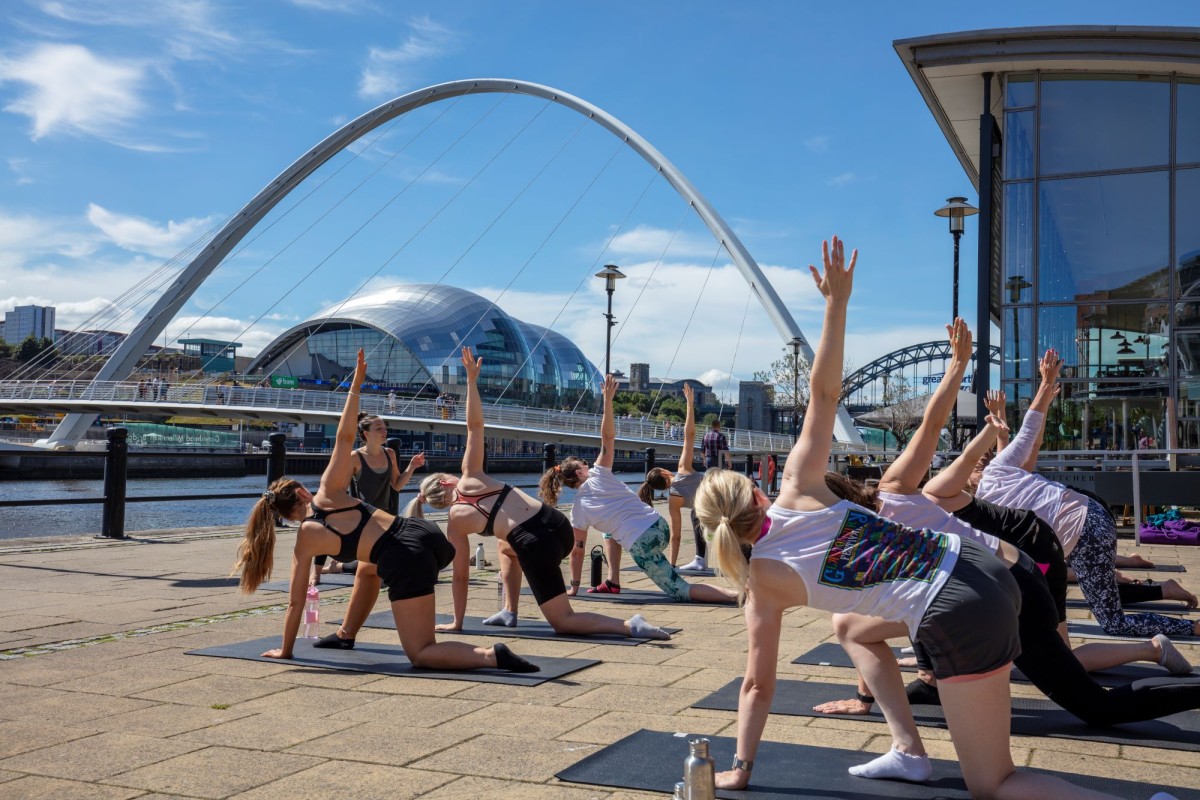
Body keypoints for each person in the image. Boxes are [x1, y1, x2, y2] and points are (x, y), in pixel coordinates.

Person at [694, 237, 1141, 799]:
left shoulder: (762, 587)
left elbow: (758, 686)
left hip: (961, 608)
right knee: (850, 627)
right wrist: (836, 305)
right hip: (985, 569)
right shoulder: (797, 485)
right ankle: (907, 749)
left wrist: (740, 768)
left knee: (994, 782)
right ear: (754, 496)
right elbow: (825, 393)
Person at [231, 348, 538, 674]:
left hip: (407, 556)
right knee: (367, 568)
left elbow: (296, 602)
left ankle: (491, 656)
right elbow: (345, 436)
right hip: (422, 533)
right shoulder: (328, 491)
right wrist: (355, 386)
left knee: (421, 653)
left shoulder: (306, 539)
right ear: (302, 493)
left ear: (281, 514)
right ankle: (345, 634)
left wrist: (286, 650)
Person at [380, 347, 668, 641]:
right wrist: (471, 381)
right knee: (506, 548)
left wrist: (457, 621)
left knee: (564, 622)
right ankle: (509, 610)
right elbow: (475, 427)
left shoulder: (456, 521)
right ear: (444, 484)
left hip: (537, 543)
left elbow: (461, 576)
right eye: (445, 475)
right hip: (556, 525)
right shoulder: (471, 475)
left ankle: (630, 625)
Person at [977, 350, 1199, 638]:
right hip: (1087, 522)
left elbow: (1023, 437)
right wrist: (1043, 389)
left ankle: (1190, 626)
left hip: (1083, 529)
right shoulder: (991, 484)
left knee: (1112, 620)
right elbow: (1022, 439)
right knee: (1094, 590)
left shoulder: (995, 476)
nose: (979, 464)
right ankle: (1162, 590)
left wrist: (1044, 388)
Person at [541, 374, 737, 604]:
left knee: (681, 590)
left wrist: (574, 587)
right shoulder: (600, 473)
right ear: (579, 473)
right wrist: (608, 401)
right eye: (583, 464)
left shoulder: (578, 510)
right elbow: (607, 437)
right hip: (657, 526)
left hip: (641, 542)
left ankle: (739, 595)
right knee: (609, 530)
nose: (587, 464)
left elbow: (577, 551)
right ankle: (613, 581)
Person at [311, 413, 426, 583]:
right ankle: (317, 573)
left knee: (390, 561)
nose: (384, 432)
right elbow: (340, 488)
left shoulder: (390, 453)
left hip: (383, 516)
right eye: (379, 429)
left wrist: (411, 467)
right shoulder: (355, 457)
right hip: (360, 515)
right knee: (327, 531)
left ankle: (337, 567)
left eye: (385, 428)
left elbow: (396, 485)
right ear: (366, 433)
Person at [637, 383, 708, 569]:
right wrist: (690, 405)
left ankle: (700, 559)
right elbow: (689, 435)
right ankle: (702, 558)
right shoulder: (683, 468)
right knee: (698, 515)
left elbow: (675, 536)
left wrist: (673, 565)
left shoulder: (673, 500)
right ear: (663, 472)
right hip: (723, 495)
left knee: (696, 513)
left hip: (711, 509)